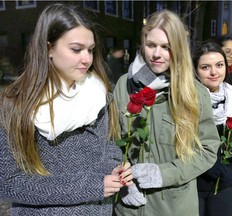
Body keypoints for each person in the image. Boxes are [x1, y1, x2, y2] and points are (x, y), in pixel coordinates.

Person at [0, 3, 133, 215]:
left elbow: (108, 146)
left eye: (90, 50)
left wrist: (114, 168)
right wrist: (91, 187)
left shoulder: (99, 95)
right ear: (48, 48)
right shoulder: (15, 105)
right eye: (76, 49)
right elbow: (8, 183)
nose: (87, 58)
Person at [113, 10, 220, 216]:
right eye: (151, 45)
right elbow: (111, 141)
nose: (156, 54)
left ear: (178, 49)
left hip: (173, 207)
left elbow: (207, 151)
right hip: (129, 207)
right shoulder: (123, 84)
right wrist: (122, 180)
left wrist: (164, 174)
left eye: (166, 47)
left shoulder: (194, 93)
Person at [192, 42, 232, 216]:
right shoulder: (187, 101)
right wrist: (214, 169)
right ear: (195, 70)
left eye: (219, 65)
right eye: (205, 67)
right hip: (193, 184)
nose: (214, 72)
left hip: (226, 184)